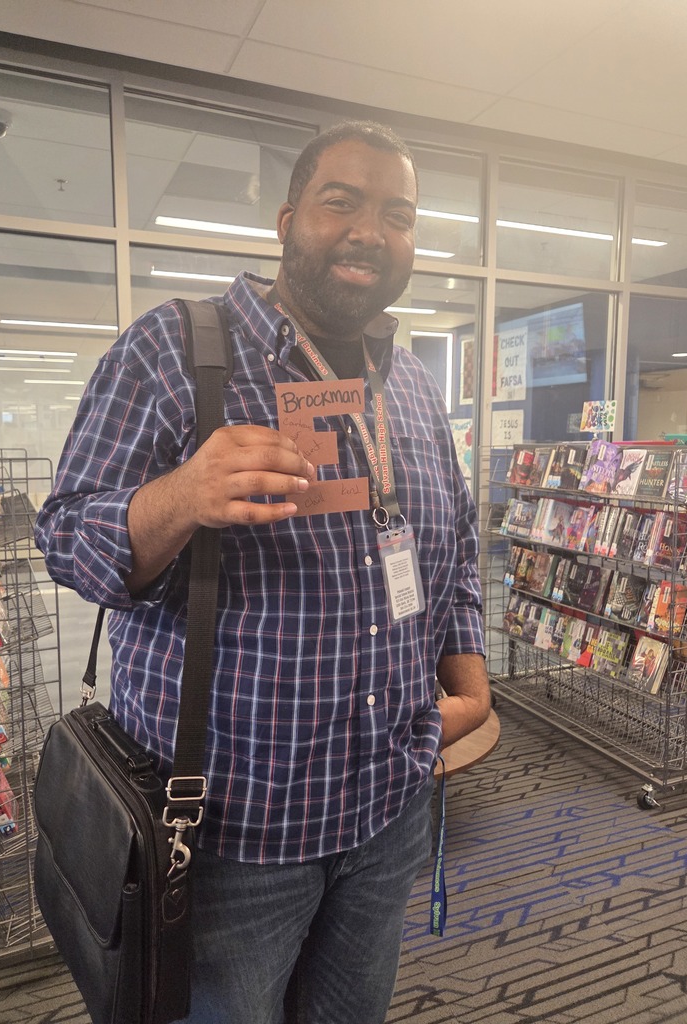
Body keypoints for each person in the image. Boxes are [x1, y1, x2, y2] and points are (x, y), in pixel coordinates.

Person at [35, 119, 491, 1024]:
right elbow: (64, 538)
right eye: (341, 202)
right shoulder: (176, 352)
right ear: (286, 222)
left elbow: (453, 551)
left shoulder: (410, 389)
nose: (370, 229)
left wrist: (469, 684)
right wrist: (182, 495)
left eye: (396, 214)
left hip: (389, 806)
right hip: (233, 831)